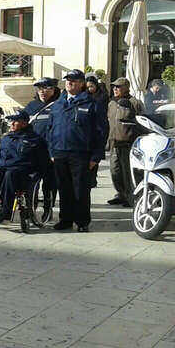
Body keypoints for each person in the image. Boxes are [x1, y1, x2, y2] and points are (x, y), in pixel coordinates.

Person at [48, 69, 108, 232]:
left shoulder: (91, 103)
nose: (69, 82)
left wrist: (96, 156)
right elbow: (51, 128)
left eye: (73, 80)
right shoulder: (58, 103)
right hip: (60, 152)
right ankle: (65, 219)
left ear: (82, 83)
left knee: (80, 189)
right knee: (64, 188)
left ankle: (82, 222)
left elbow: (101, 131)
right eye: (68, 79)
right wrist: (51, 151)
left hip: (81, 153)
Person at [0, 110, 49, 223]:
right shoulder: (7, 138)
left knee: (10, 174)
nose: (11, 123)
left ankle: (6, 209)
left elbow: (43, 161)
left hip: (23, 173)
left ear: (24, 123)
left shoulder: (35, 140)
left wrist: (40, 174)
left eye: (15, 121)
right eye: (11, 121)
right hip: (4, 169)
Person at [23, 77, 61, 220]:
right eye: (39, 88)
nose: (42, 91)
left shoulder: (59, 105)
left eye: (46, 88)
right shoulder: (31, 106)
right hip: (34, 151)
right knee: (32, 182)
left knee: (50, 184)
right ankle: (30, 207)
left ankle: (47, 208)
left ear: (53, 89)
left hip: (51, 152)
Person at [107, 77, 143, 207]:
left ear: (126, 88)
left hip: (128, 143)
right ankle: (121, 194)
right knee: (115, 171)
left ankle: (130, 196)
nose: (115, 89)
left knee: (127, 171)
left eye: (118, 87)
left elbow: (141, 122)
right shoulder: (111, 103)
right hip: (114, 142)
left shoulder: (135, 103)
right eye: (114, 87)